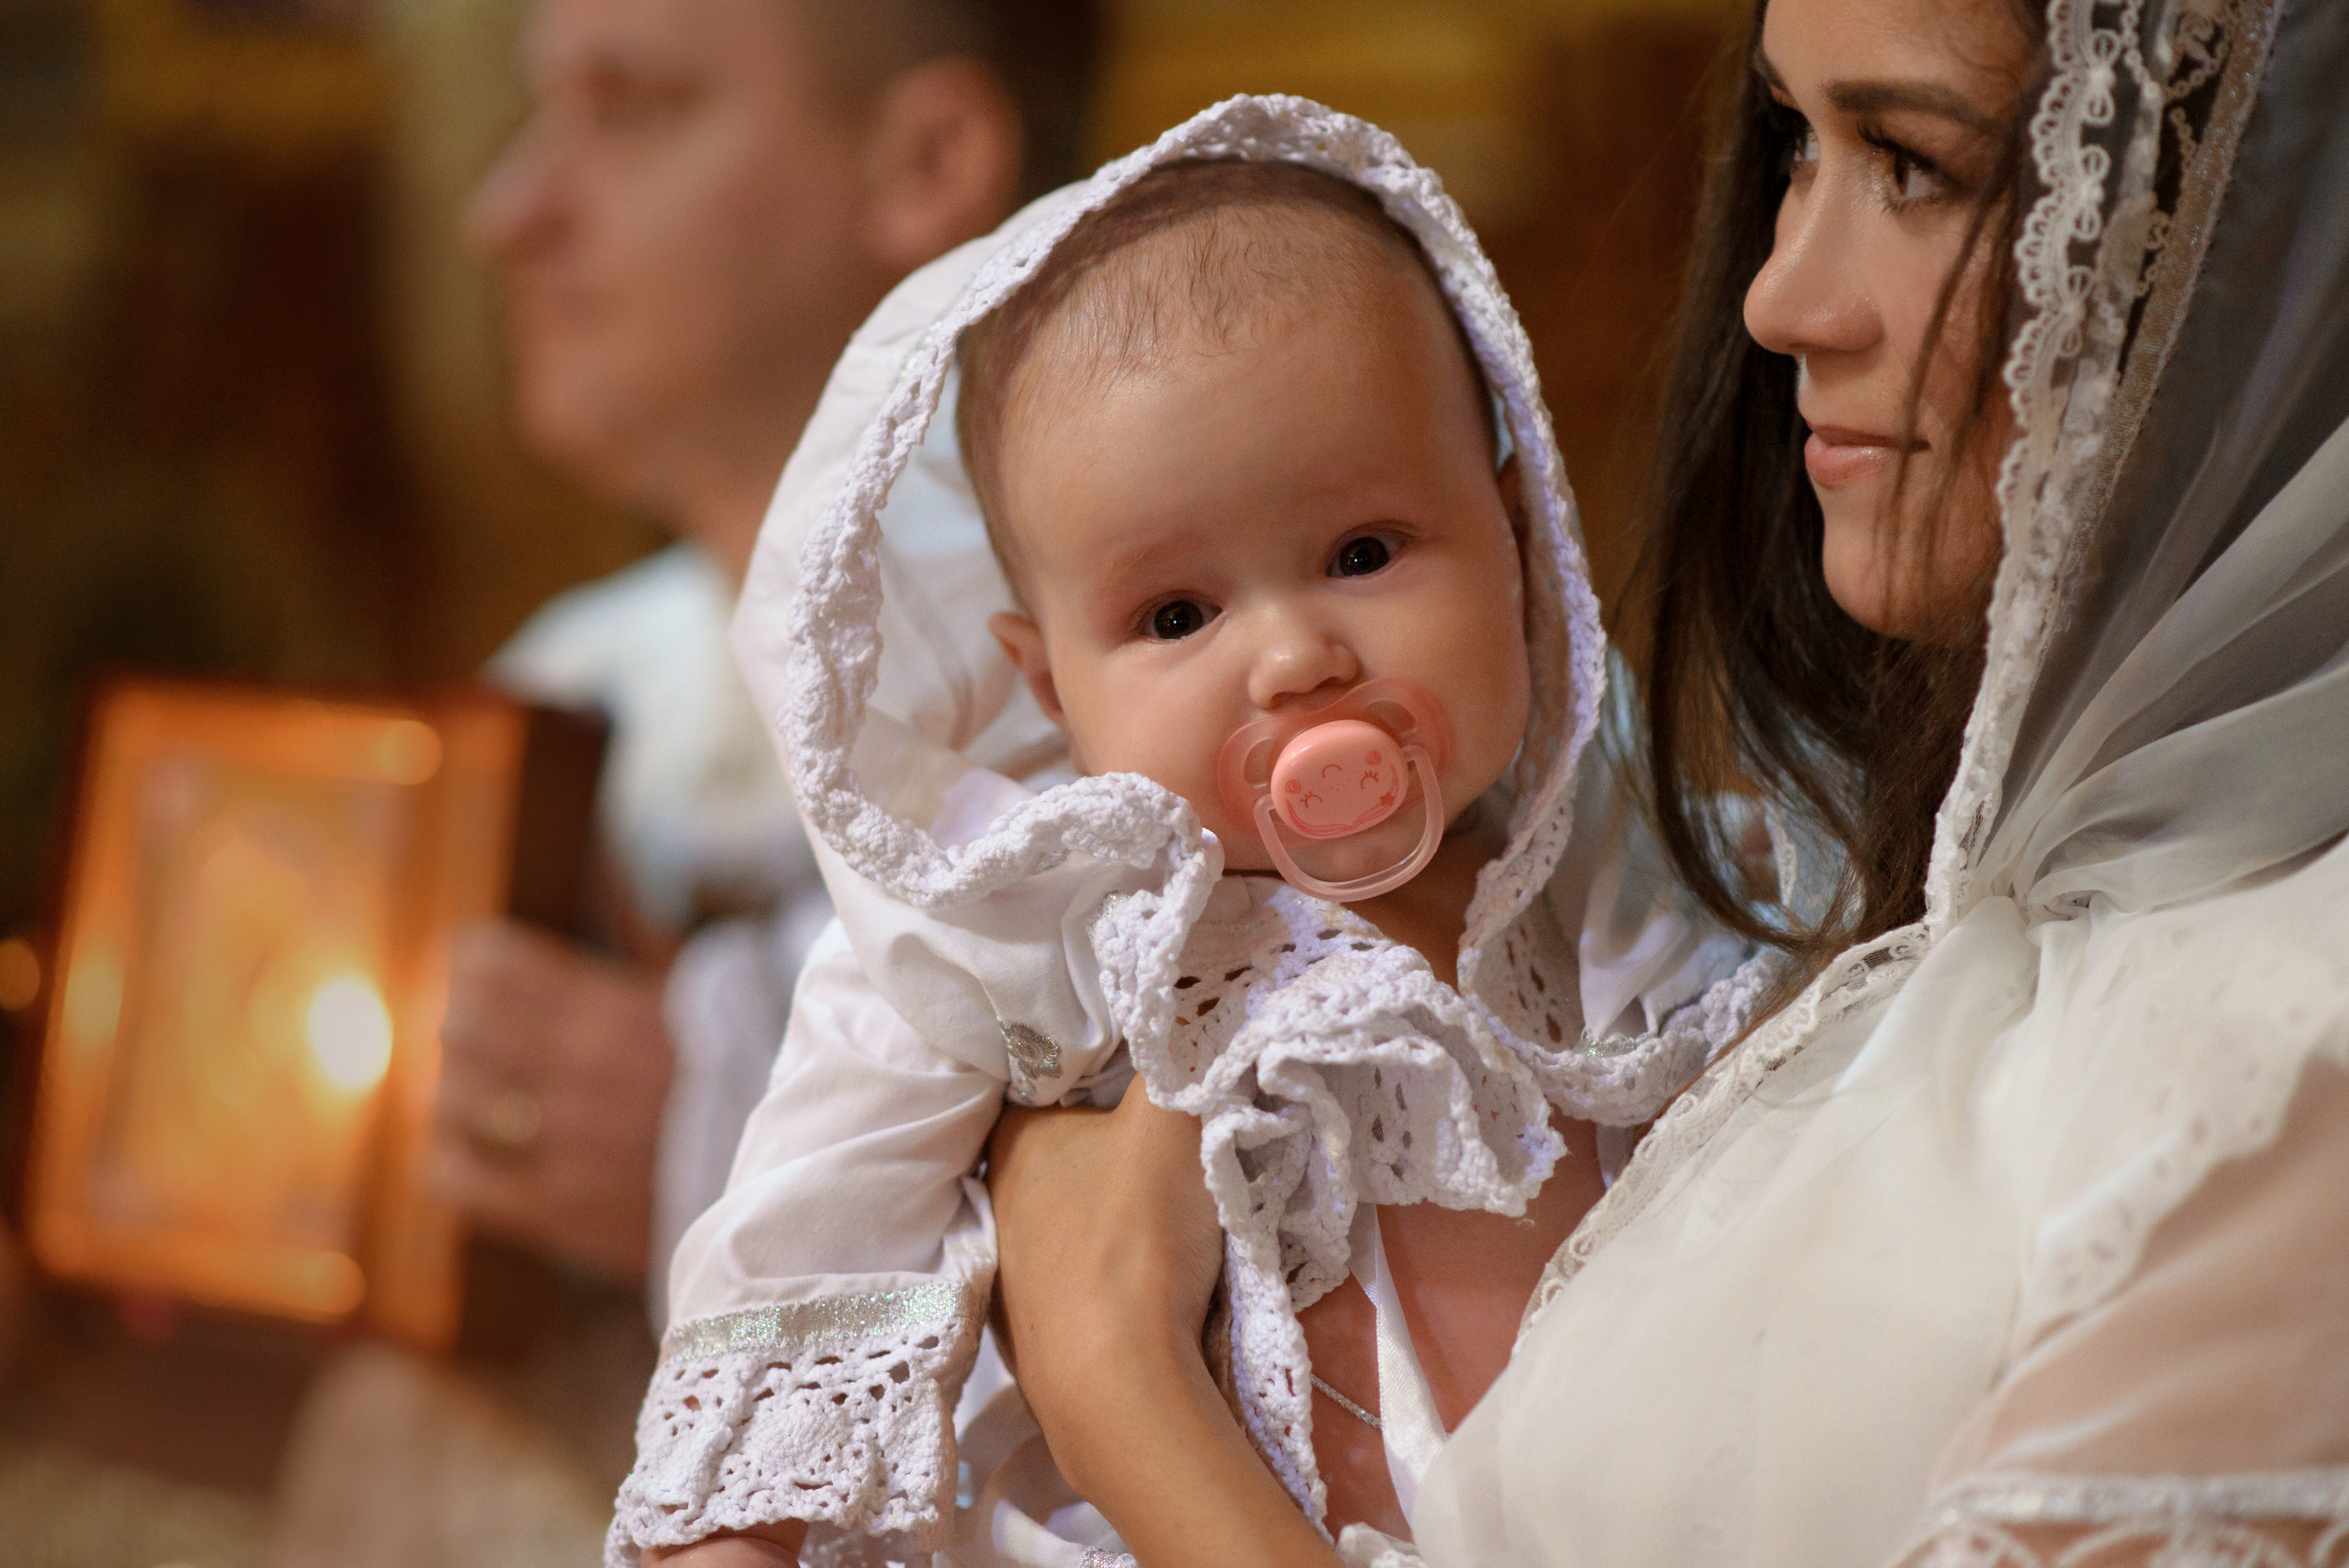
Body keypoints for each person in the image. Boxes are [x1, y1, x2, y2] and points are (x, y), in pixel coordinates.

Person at [980, 0, 2349, 1562]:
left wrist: (1118, 1382)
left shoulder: (2284, 1061)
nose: (1778, 299)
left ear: (2246, 230)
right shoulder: (1907, 940)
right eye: (1794, 145)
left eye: (1910, 162)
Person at [616, 104, 1760, 1567]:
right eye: (1176, 615)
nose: (1293, 656)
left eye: (1363, 553)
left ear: (1519, 533)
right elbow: (793, 1272)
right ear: (1050, 688)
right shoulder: (1024, 932)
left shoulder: (1634, 875)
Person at [433, 0, 1099, 1314]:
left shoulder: (1165, 686)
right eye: (538, 114)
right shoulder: (563, 684)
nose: (506, 212)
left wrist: (734, 1147)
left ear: (925, 162)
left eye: (630, 108)